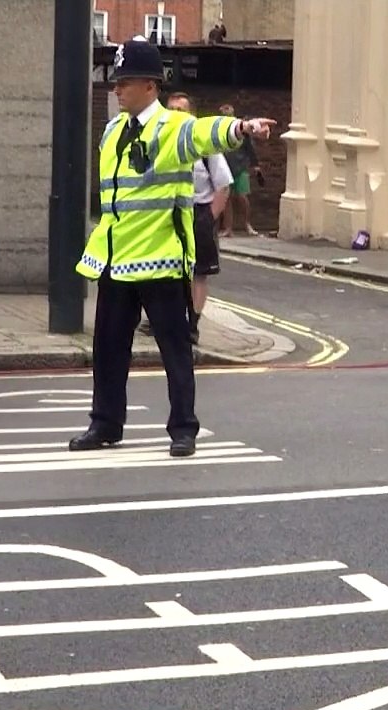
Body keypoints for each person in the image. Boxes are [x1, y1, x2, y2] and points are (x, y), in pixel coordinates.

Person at [69, 36, 274, 458]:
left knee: (175, 350)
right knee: (108, 351)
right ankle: (105, 423)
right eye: (116, 81)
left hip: (160, 260)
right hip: (116, 259)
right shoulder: (111, 132)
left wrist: (241, 128)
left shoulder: (173, 127)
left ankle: (183, 428)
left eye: (124, 81)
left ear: (149, 85)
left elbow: (206, 132)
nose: (117, 89)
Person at [166, 92, 233, 345]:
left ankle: (192, 325)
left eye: (181, 110)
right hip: (167, 214)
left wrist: (208, 219)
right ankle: (164, 320)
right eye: (171, 109)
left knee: (198, 273)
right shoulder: (160, 143)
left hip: (198, 213)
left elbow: (224, 185)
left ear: (192, 116)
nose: (175, 115)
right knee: (166, 271)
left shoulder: (204, 146)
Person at [218, 103, 260, 237]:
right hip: (225, 167)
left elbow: (250, 148)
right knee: (227, 199)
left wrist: (255, 165)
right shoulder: (218, 130)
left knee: (242, 196)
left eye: (229, 115)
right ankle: (228, 228)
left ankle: (247, 224)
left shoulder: (241, 130)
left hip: (240, 166)